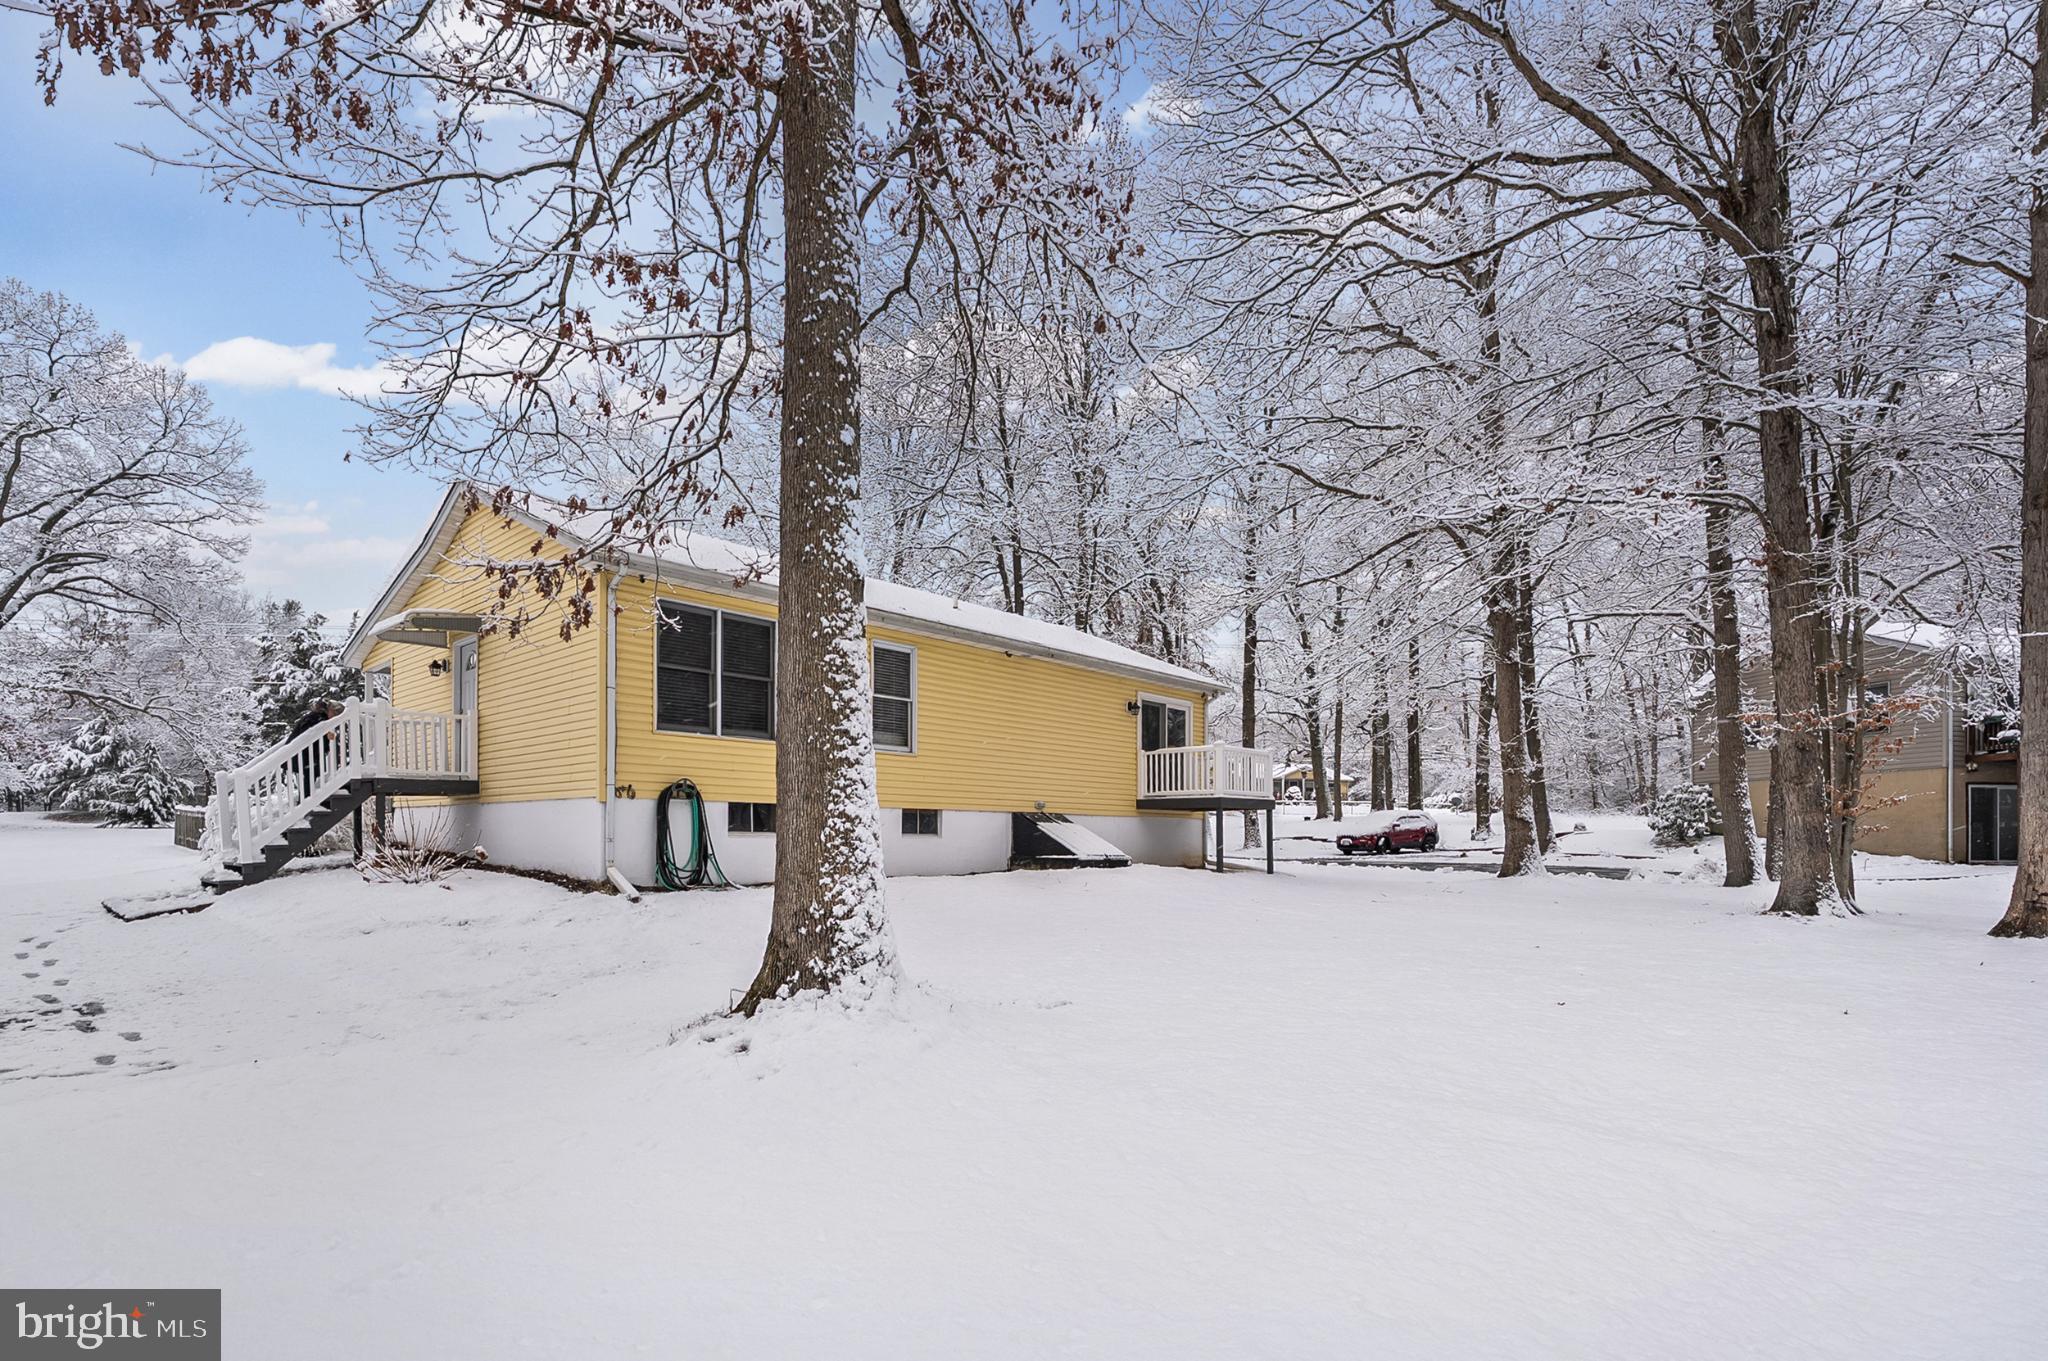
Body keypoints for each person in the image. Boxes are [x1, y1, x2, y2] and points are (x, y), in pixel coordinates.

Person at [289, 698, 344, 799]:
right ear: (331, 710)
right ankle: (305, 801)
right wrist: (325, 737)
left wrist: (326, 736)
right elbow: (308, 734)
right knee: (310, 774)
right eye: (336, 715)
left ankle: (306, 800)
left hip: (304, 754)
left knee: (312, 774)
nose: (335, 719)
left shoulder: (318, 717)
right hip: (302, 753)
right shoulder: (318, 718)